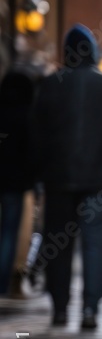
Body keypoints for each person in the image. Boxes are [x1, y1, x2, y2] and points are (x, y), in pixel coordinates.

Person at [30, 24, 102, 328]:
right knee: (94, 246)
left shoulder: (50, 85)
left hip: (58, 180)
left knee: (58, 245)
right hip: (97, 181)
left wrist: (41, 171)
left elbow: (35, 133)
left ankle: (60, 308)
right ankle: (90, 309)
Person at [0, 70, 39, 297]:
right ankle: (3, 283)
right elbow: (32, 153)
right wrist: (32, 180)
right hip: (15, 183)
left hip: (12, 181)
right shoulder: (27, 116)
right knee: (9, 232)